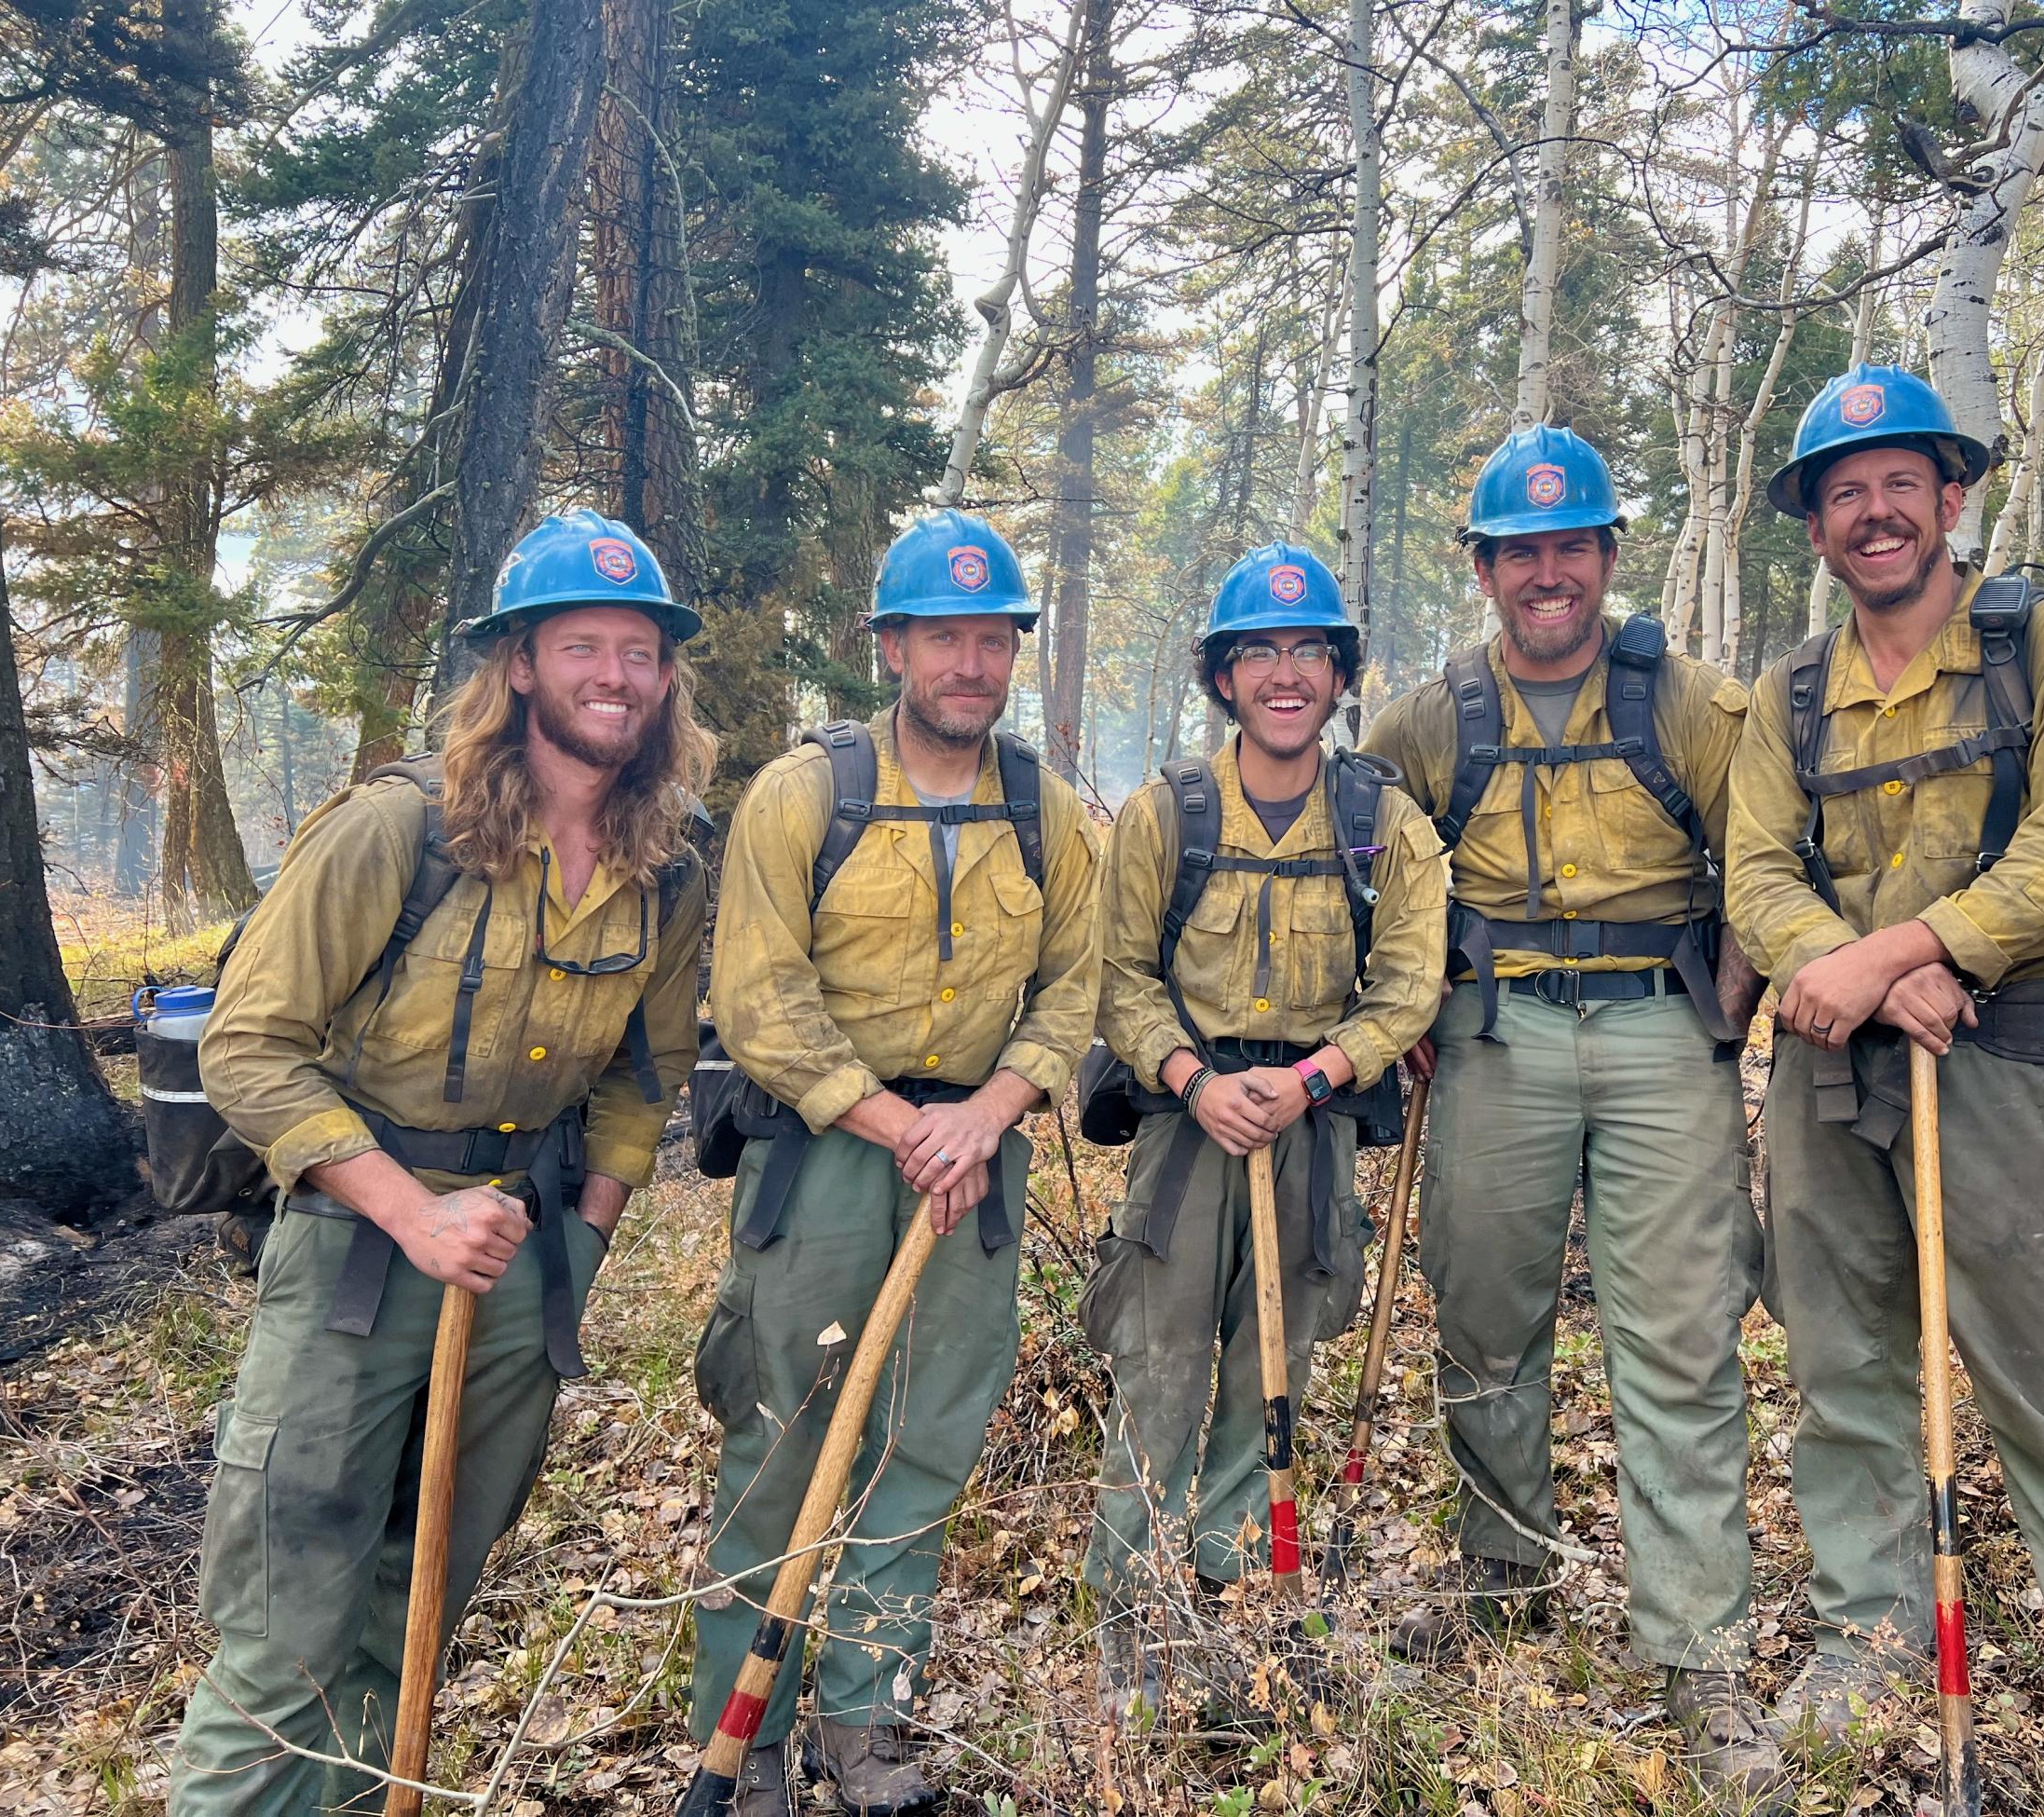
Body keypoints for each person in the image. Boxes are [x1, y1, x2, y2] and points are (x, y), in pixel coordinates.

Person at [1724, 362, 2044, 1817]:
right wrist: (1865, 971)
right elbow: (1756, 873)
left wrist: (1918, 944)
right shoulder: (1792, 692)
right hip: (1829, 1072)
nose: (1874, 514)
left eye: (1901, 485)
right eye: (1843, 493)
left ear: (1955, 497)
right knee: (1847, 1377)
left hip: (2005, 1063)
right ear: (1814, 525)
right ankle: (1868, 1645)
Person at [170, 511, 715, 1812]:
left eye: (640, 651)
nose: (615, 676)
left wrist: (580, 1233)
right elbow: (248, 1047)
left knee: (421, 1594)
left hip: (522, 1270)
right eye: (582, 644)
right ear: (519, 663)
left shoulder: (671, 862)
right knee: (284, 1610)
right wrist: (413, 1212)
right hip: (357, 1258)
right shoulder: (397, 831)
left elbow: (649, 1076)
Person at [1362, 427, 1785, 1810]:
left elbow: (1769, 860)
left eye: (1572, 548)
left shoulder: (1694, 704)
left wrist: (1730, 996)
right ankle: (1503, 1579)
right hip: (1496, 1039)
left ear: (1607, 557)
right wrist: (1408, 1004)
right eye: (1519, 553)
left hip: (1664, 1034)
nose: (1548, 575)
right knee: (1486, 1318)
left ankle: (1699, 1648)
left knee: (1678, 1334)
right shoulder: (1430, 719)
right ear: (1483, 570)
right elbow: (1366, 870)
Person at [688, 510, 1100, 1817]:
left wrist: (987, 1113)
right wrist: (899, 1123)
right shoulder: (804, 793)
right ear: (892, 646)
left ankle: (866, 1726)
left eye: (993, 639)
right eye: (945, 638)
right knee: (780, 1439)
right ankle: (741, 1735)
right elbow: (761, 1000)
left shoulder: (1045, 808)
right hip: (823, 1161)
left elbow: (1073, 991)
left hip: (976, 1171)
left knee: (923, 1448)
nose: (972, 663)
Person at [1077, 544, 1447, 1716]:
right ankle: (1127, 1619)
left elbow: (1407, 983)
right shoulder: (1162, 815)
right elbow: (1118, 979)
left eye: (1307, 653)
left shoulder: (1382, 822)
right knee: (1159, 1369)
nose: (1284, 675)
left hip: (1310, 1126)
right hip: (1188, 1135)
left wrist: (1320, 1075)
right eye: (1258, 654)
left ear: (1339, 674)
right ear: (1223, 678)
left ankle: (1238, 1591)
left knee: (1267, 1373)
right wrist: (1190, 1079)